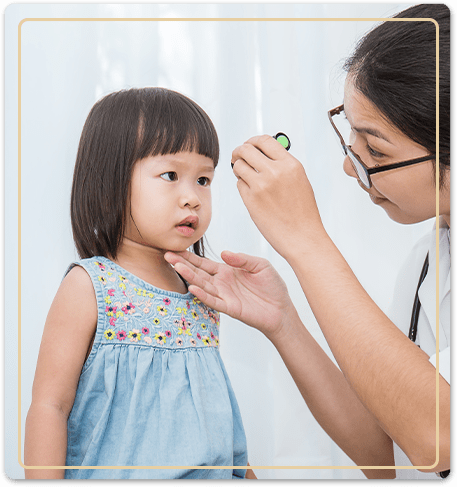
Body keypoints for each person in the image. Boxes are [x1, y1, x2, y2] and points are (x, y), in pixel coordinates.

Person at [164, 4, 450, 480]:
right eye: (351, 138)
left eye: (375, 149)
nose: (350, 165)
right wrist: (283, 323)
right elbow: (388, 455)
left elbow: (436, 438)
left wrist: (305, 239)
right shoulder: (427, 260)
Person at [24, 87, 256, 479]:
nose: (193, 198)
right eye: (170, 175)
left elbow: (215, 418)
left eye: (203, 179)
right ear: (111, 180)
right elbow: (50, 406)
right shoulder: (90, 286)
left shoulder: (201, 290)